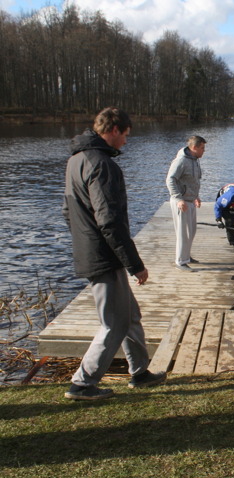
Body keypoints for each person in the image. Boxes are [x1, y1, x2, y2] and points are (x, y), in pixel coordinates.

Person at [62, 107, 166, 400]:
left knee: (130, 314)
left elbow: (67, 212)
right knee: (114, 323)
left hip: (93, 251)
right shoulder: (103, 165)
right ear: (114, 130)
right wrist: (134, 264)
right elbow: (110, 221)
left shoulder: (75, 160)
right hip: (104, 256)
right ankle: (82, 383)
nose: (126, 142)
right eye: (126, 136)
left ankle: (140, 372)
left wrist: (86, 242)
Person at [166, 135, 205, 272]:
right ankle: (180, 261)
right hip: (181, 202)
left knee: (191, 231)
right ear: (194, 148)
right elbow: (170, 180)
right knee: (183, 232)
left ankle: (186, 256)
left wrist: (196, 196)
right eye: (202, 148)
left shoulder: (195, 160)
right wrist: (178, 198)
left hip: (190, 200)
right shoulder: (181, 161)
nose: (203, 151)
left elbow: (192, 180)